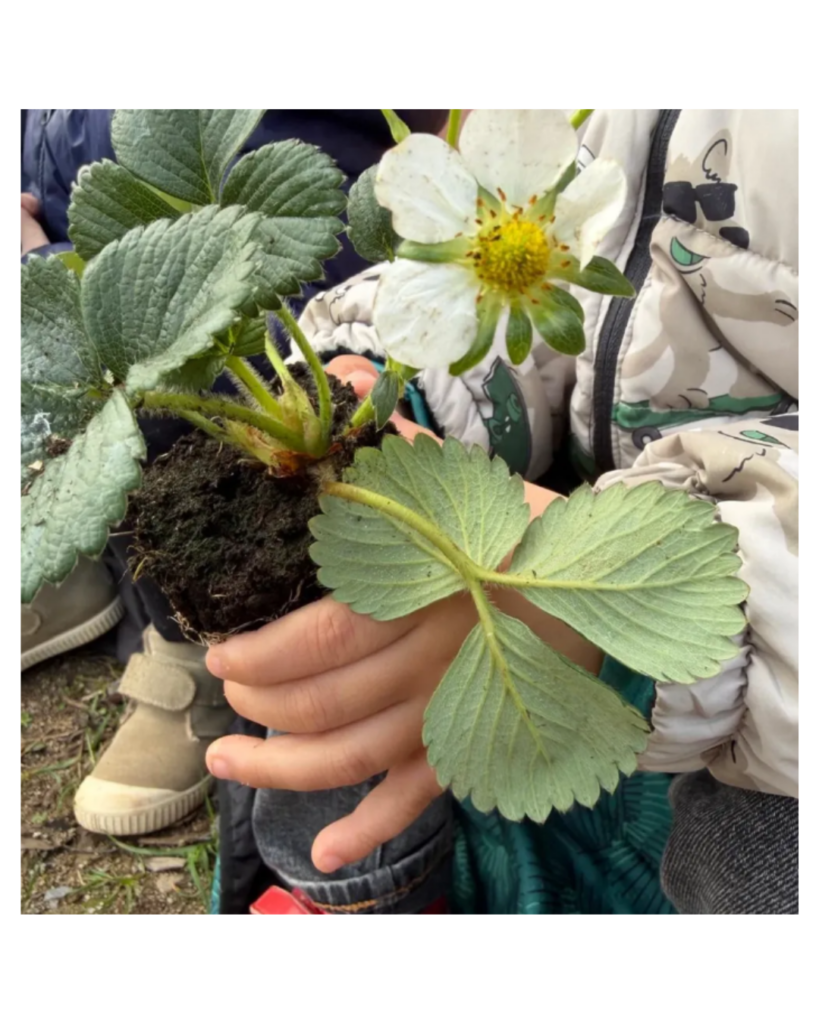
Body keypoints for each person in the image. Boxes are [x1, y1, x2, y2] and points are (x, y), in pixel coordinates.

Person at [204, 109, 798, 914]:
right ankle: (374, 890)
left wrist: (608, 617)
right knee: (338, 590)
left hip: (756, 618)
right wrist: (421, 386)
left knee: (754, 855)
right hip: (590, 478)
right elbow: (595, 297)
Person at [20, 109, 447, 837]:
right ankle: (73, 558)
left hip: (305, 254)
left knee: (167, 395)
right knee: (97, 410)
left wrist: (48, 262)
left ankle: (191, 656)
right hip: (77, 196)